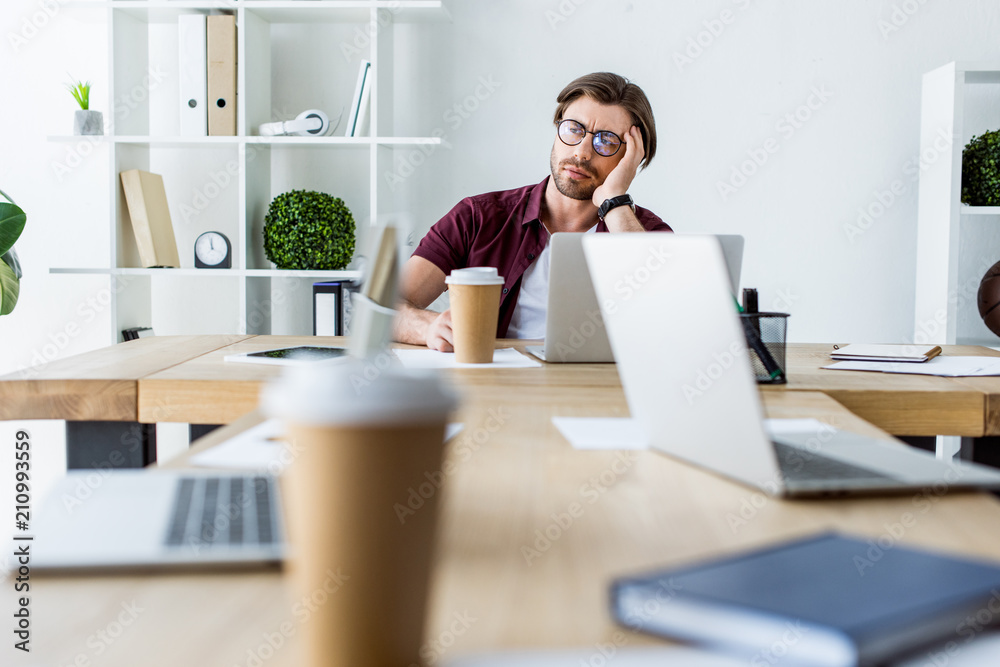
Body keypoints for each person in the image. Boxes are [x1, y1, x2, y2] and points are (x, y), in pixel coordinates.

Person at [394, 72, 672, 352]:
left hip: (603, 392)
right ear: (557, 128)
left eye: (607, 141)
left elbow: (670, 323)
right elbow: (383, 308)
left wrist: (614, 202)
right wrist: (428, 327)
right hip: (499, 389)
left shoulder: (648, 235)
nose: (582, 152)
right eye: (574, 129)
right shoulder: (477, 217)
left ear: (633, 157)